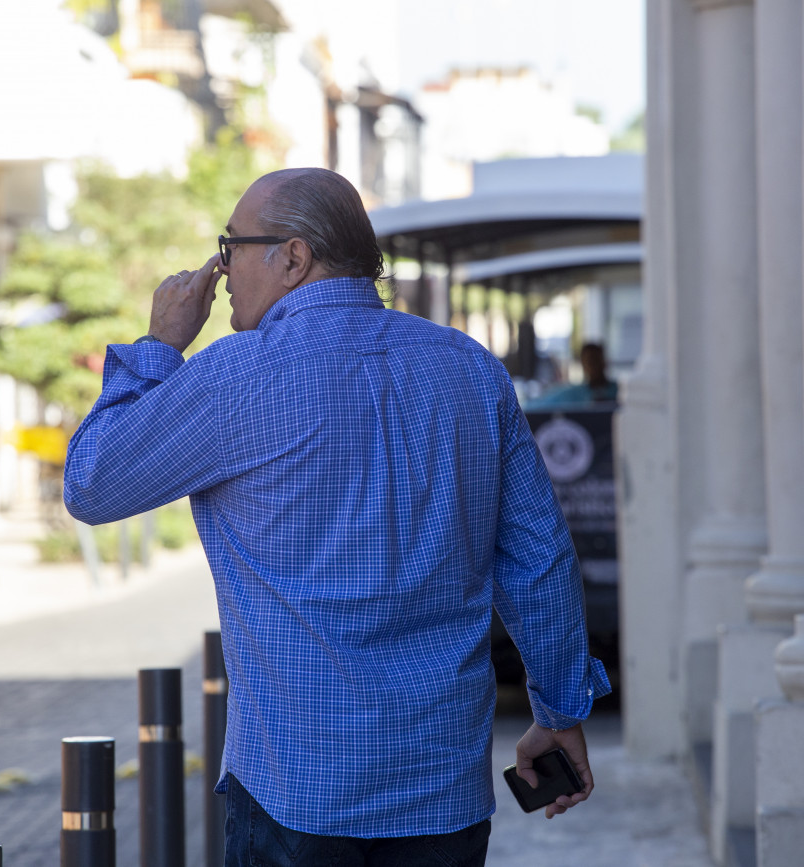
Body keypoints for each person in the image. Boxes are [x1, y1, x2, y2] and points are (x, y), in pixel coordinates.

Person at [64, 168, 610, 866]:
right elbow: (539, 557)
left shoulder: (235, 376)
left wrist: (159, 347)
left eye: (232, 247)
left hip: (297, 794)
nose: (220, 271)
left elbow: (91, 483)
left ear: (293, 257)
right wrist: (560, 711)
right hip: (441, 788)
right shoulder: (470, 370)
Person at [526, 342, 618, 408]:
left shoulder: (618, 391)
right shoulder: (574, 393)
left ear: (604, 362)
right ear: (583, 365)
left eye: (596, 360)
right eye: (589, 362)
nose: (593, 366)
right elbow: (538, 405)